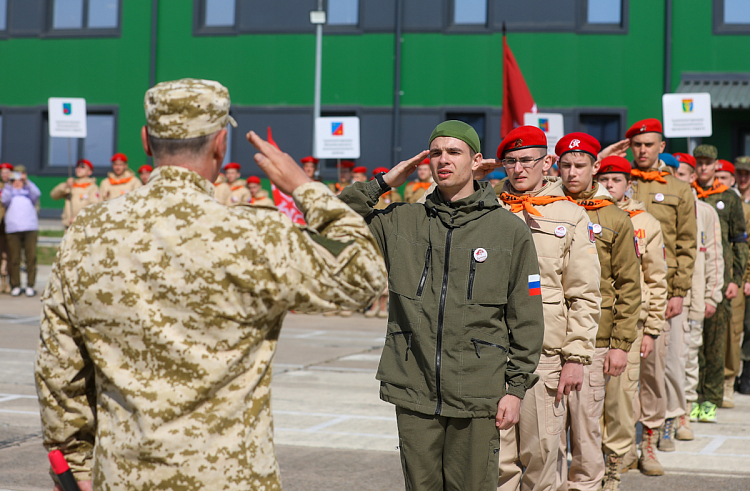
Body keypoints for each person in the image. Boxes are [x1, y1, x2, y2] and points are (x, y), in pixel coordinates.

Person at [35, 78, 386, 491]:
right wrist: (306, 187)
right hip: (231, 478)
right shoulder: (256, 233)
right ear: (221, 144)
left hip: (123, 475)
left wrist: (73, 465)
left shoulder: (88, 232)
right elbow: (365, 274)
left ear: (146, 141)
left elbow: (59, 365)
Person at [338, 120, 545, 491]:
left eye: (454, 152)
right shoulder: (401, 221)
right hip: (414, 388)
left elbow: (526, 317)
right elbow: (333, 222)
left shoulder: (508, 230)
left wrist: (515, 390)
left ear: (476, 160)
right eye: (435, 152)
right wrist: (384, 182)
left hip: (478, 392)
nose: (443, 160)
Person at [487, 126, 601, 491]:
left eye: (527, 161)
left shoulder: (570, 215)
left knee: (540, 461)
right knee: (498, 463)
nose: (518, 169)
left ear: (546, 162)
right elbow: (434, 207)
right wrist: (473, 177)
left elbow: (584, 294)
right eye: (510, 162)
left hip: (545, 358)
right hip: (491, 354)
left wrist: (576, 357)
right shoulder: (487, 208)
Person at [558, 133, 641, 490]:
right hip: (548, 335)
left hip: (595, 338)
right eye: (566, 165)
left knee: (585, 427)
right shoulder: (544, 208)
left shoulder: (614, 218)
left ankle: (589, 483)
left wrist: (621, 344)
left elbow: (629, 286)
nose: (573, 173)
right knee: (548, 432)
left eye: (581, 166)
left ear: (595, 168)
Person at [624, 118, 696, 474]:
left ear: (661, 147)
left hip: (660, 291)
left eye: (648, 144)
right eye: (636, 144)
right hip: (619, 290)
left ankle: (648, 441)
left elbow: (686, 244)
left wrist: (679, 291)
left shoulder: (680, 190)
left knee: (654, 368)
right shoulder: (618, 182)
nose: (642, 151)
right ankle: (619, 444)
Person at [596, 155, 667, 490]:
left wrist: (652, 328)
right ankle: (593, 461)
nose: (610, 185)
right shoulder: (587, 213)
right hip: (593, 321)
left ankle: (617, 460)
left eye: (616, 180)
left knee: (622, 399)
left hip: (630, 324)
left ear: (628, 184)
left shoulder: (645, 222)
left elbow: (655, 279)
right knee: (590, 401)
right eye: (605, 179)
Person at [692, 144, 748, 423]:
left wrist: (737, 279)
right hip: (693, 278)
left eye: (708, 163)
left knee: (715, 344)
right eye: (699, 162)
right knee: (693, 345)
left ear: (716, 166)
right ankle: (692, 397)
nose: (703, 167)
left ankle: (710, 400)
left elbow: (739, 242)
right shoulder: (686, 193)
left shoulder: (729, 198)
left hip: (720, 279)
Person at [672, 152, 723, 436]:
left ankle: (684, 412)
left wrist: (713, 294)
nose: (676, 179)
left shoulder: (705, 211)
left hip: (696, 296)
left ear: (692, 177)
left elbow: (715, 255)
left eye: (682, 174)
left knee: (689, 355)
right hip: (669, 295)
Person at [712, 158, 746, 408]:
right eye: (718, 176)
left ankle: (729, 380)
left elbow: (741, 244)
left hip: (736, 276)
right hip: (713, 275)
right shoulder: (706, 199)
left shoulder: (734, 203)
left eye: (726, 177)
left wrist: (743, 277)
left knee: (734, 332)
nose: (720, 181)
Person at [1, 170, 40, 297]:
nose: (17, 183)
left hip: (30, 228)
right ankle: (15, 285)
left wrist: (26, 181)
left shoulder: (28, 193)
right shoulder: (9, 192)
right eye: (15, 180)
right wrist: (8, 184)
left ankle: (30, 285)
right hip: (13, 230)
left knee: (31, 258)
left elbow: (37, 193)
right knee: (14, 259)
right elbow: (3, 199)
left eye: (20, 180)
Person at [735, 156, 750, 395]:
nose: (743, 177)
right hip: (736, 273)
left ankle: (746, 376)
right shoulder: (730, 197)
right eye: (740, 173)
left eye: (747, 173)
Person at [49, 159, 101, 228]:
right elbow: (54, 195)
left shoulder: (92, 187)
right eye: (77, 167)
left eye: (82, 167)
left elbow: (94, 207)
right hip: (69, 226)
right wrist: (65, 185)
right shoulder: (71, 185)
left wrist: (79, 217)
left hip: (84, 226)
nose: (79, 169)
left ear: (89, 172)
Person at [0, 162, 12, 293]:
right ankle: (2, 282)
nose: (4, 175)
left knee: (10, 255)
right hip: (0, 225)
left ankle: (8, 282)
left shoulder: (16, 186)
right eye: (2, 172)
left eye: (7, 172)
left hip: (11, 225)